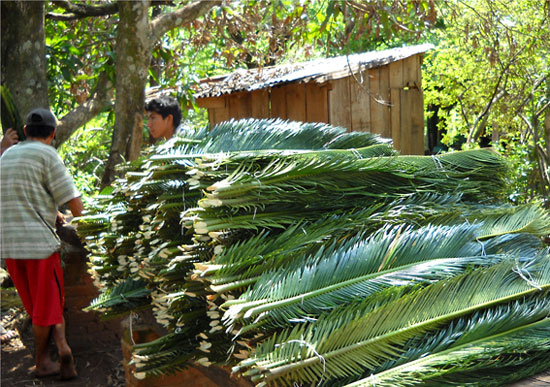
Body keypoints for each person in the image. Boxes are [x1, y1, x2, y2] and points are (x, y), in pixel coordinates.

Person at [0, 108, 84, 380]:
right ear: (53, 134)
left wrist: (51, 211)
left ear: (25, 132)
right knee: (46, 307)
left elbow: (24, 194)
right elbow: (74, 200)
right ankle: (43, 361)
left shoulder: (7, 155)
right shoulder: (48, 154)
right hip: (39, 246)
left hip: (10, 246)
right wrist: (91, 227)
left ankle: (60, 347)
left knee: (41, 306)